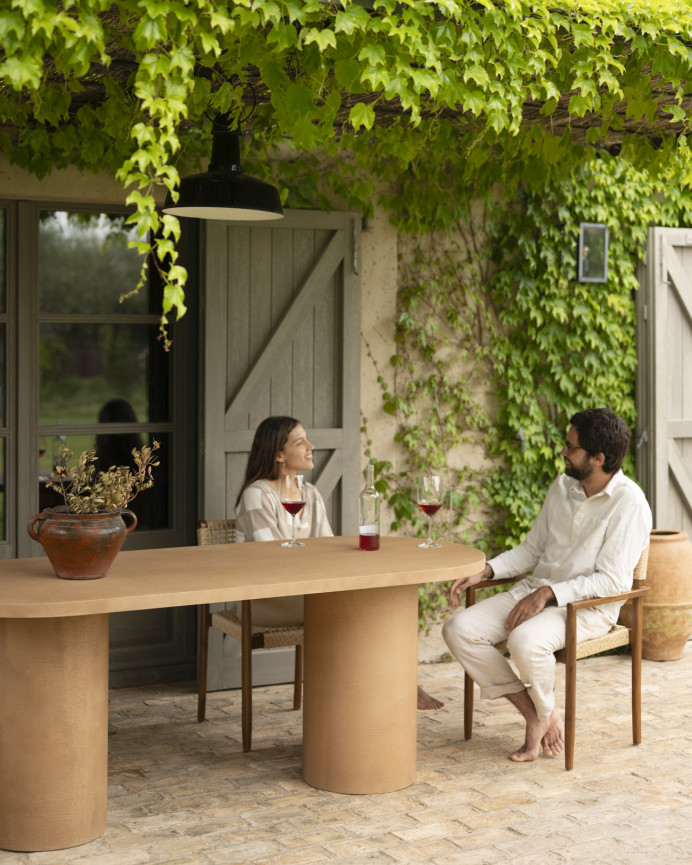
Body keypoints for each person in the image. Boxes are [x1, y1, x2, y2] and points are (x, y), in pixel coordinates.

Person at [442, 408, 652, 762]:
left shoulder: (630, 504)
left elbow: (614, 580)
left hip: (588, 608)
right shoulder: (562, 487)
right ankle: (541, 714)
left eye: (571, 448)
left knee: (524, 641)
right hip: (537, 592)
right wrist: (487, 571)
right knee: (459, 628)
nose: (563, 452)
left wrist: (550, 593)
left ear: (598, 459)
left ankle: (539, 716)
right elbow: (533, 549)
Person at [236, 415, 443, 711]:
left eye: (307, 438)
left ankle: (381, 691)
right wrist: (314, 562)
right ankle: (389, 690)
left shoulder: (310, 493)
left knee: (372, 603)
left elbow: (327, 549)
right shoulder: (257, 494)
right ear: (278, 455)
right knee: (355, 609)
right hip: (267, 598)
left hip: (309, 590)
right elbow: (274, 558)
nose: (311, 446)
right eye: (300, 442)